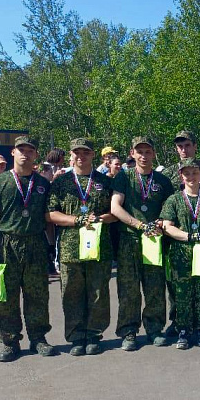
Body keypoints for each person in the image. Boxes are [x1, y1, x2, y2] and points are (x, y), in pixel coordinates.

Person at [0, 136, 56, 362]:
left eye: (30, 150)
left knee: (38, 294)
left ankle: (38, 338)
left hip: (35, 243)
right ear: (13, 152)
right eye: (20, 149)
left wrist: (51, 247)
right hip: (7, 244)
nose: (25, 153)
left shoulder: (43, 184)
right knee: (6, 297)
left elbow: (48, 219)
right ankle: (10, 341)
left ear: (35, 155)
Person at [46, 138, 116, 356]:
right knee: (71, 294)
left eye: (85, 153)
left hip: (98, 247)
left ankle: (94, 335)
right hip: (70, 248)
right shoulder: (61, 182)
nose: (81, 156)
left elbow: (116, 213)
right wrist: (76, 220)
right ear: (70, 155)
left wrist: (100, 219)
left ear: (93, 155)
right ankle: (76, 336)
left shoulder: (105, 182)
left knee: (98, 293)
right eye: (76, 152)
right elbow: (50, 214)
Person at [110, 137, 174, 351]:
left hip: (154, 240)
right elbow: (115, 207)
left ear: (154, 154)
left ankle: (155, 329)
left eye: (148, 152)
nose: (144, 156)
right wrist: (139, 225)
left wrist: (160, 223)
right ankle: (128, 331)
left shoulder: (163, 181)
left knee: (155, 286)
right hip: (129, 239)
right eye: (140, 152)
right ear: (132, 153)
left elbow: (169, 210)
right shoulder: (124, 177)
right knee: (128, 289)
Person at [160, 130, 200, 336]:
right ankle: (178, 323)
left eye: (187, 145)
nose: (183, 150)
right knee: (177, 285)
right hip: (177, 238)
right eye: (180, 146)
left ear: (194, 146)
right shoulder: (167, 173)